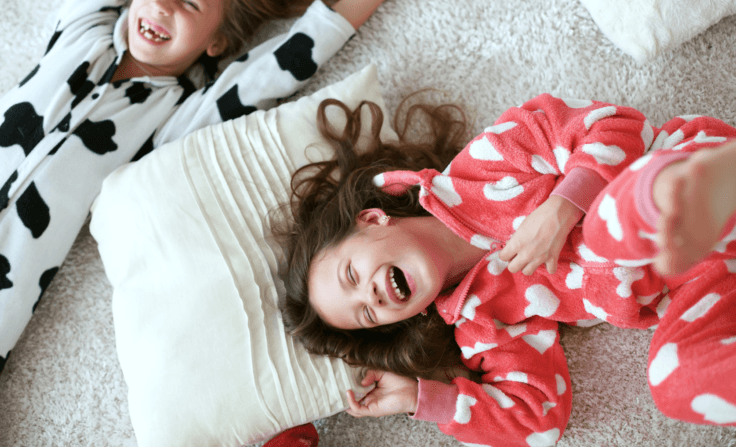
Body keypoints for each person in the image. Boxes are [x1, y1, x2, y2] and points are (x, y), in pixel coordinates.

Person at [0, 0, 443, 430]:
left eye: (189, 4)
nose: (162, 5)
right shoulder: (81, 30)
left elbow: (286, 62)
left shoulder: (171, 123)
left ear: (216, 42)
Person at [276, 93, 736, 446]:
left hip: (683, 175)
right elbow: (537, 421)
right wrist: (422, 399)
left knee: (605, 229)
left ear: (373, 220)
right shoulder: (480, 323)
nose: (369, 298)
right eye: (367, 315)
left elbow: (613, 124)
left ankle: (714, 189)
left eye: (352, 276)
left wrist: (562, 207)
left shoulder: (485, 163)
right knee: (673, 382)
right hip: (703, 281)